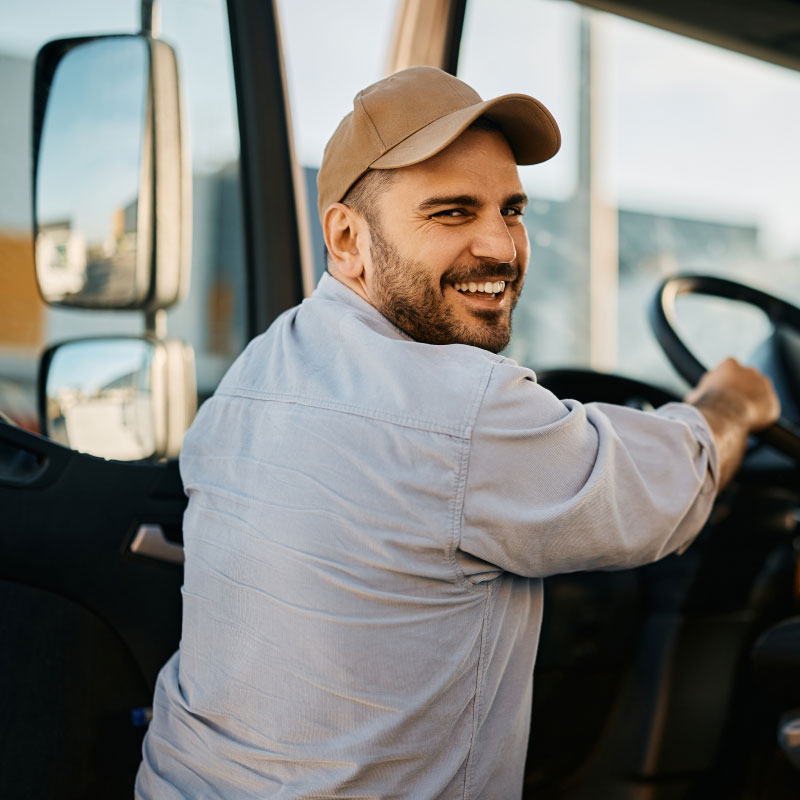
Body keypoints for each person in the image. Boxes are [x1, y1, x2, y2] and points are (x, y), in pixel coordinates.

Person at [136, 66, 779, 799]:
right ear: (347, 240)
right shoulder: (458, 406)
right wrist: (729, 406)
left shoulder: (255, 375)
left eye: (511, 209)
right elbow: (663, 495)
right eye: (452, 213)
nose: (500, 247)